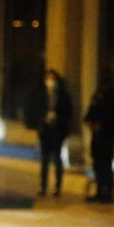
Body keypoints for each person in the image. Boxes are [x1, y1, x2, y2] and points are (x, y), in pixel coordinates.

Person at [83, 50, 114, 203]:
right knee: (97, 163)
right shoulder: (98, 94)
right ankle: (99, 190)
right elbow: (91, 112)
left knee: (106, 163)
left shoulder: (113, 96)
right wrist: (92, 122)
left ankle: (107, 192)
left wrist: (102, 125)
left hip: (107, 135)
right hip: (97, 135)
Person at [37, 67, 72, 197]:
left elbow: (68, 113)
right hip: (45, 130)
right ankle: (43, 185)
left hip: (58, 131)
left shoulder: (63, 96)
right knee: (44, 159)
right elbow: (36, 110)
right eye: (48, 78)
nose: (50, 81)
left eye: (52, 79)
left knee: (57, 159)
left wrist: (59, 120)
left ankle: (57, 186)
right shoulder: (42, 95)